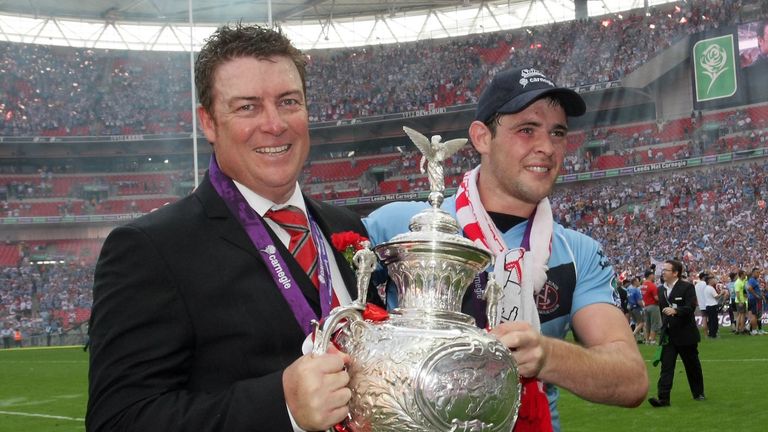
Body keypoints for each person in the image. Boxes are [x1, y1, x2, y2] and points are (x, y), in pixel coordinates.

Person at [86, 24, 381, 432]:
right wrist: (283, 407)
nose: (275, 124)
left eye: (288, 101)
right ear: (208, 122)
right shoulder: (150, 249)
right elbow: (117, 421)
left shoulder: (345, 227)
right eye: (247, 107)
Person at [364, 67, 648, 431]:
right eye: (527, 129)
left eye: (557, 133)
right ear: (482, 137)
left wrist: (546, 355)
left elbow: (630, 378)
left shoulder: (578, 253)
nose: (546, 147)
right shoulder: (402, 226)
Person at [648, 259, 705, 407]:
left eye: (666, 270)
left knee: (692, 366)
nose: (662, 272)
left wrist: (676, 311)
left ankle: (698, 393)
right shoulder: (660, 289)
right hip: (669, 335)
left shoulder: (687, 287)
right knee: (666, 367)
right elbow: (662, 311)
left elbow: (690, 307)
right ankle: (663, 398)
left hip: (686, 335)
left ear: (675, 273)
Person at [642, 270, 661, 344]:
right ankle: (652, 340)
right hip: (653, 306)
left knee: (648, 324)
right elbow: (656, 298)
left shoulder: (643, 285)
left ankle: (647, 340)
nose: (654, 276)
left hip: (646, 306)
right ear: (650, 275)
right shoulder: (652, 285)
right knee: (654, 323)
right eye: (653, 275)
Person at [746, 268, 765, 335]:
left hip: (755, 300)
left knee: (757, 315)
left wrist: (761, 295)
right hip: (754, 300)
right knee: (754, 315)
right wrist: (756, 295)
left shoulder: (755, 280)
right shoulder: (752, 280)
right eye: (757, 272)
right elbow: (749, 288)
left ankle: (757, 329)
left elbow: (755, 289)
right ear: (753, 273)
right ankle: (753, 330)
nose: (758, 274)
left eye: (759, 273)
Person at [627, 276, 645, 342]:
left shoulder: (628, 289)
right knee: (642, 322)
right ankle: (632, 335)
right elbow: (639, 301)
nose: (639, 282)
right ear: (634, 282)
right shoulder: (636, 290)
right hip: (637, 308)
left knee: (636, 323)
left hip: (630, 307)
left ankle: (638, 338)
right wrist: (643, 306)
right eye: (638, 281)